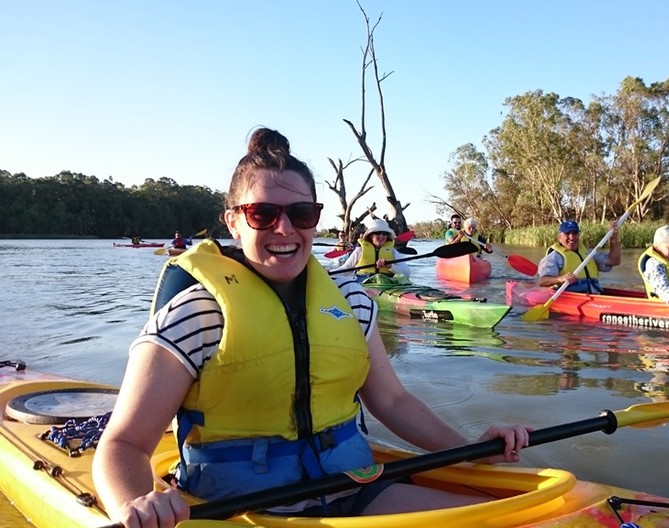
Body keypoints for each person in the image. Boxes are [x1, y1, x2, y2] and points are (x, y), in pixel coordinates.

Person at [92, 127, 530, 528]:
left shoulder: (352, 300)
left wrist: (474, 449)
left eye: (302, 213)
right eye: (262, 213)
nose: (285, 228)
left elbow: (393, 402)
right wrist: (135, 502)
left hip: (355, 491)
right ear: (233, 221)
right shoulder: (196, 315)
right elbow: (124, 445)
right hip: (238, 509)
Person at [537, 220, 621, 294]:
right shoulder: (553, 257)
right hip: (570, 297)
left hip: (594, 295)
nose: (572, 237)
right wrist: (561, 278)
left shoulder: (588, 254)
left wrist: (613, 238)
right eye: (567, 233)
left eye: (575, 233)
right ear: (560, 237)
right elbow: (543, 281)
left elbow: (614, 261)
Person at [331, 217, 412, 280]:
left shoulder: (393, 252)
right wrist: (329, 273)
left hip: (387, 283)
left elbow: (407, 273)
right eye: (377, 233)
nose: (381, 236)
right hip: (363, 282)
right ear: (370, 235)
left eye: (384, 234)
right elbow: (346, 270)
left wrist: (390, 266)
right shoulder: (360, 250)